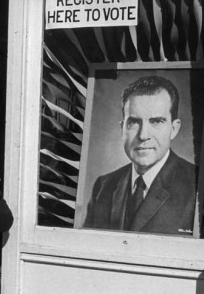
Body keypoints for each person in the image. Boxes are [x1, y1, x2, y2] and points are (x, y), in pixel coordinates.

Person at [83, 75, 196, 235]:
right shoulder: (103, 186)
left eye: (156, 121)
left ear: (174, 129)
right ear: (122, 128)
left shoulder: (196, 186)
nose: (143, 135)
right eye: (134, 122)